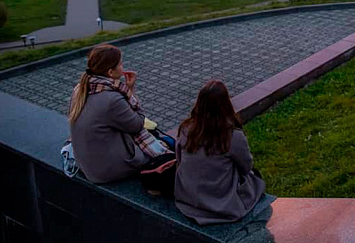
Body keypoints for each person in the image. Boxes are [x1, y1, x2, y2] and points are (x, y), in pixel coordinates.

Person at [69, 44, 169, 183]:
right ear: (110, 72)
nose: (123, 68)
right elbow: (137, 125)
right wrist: (130, 93)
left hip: (85, 162)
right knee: (160, 147)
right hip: (104, 170)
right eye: (121, 64)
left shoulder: (80, 89)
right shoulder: (112, 99)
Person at [175, 80, 266, 225]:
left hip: (187, 199)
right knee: (256, 178)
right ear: (226, 105)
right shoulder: (232, 136)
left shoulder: (186, 128)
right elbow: (247, 167)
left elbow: (178, 159)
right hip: (221, 206)